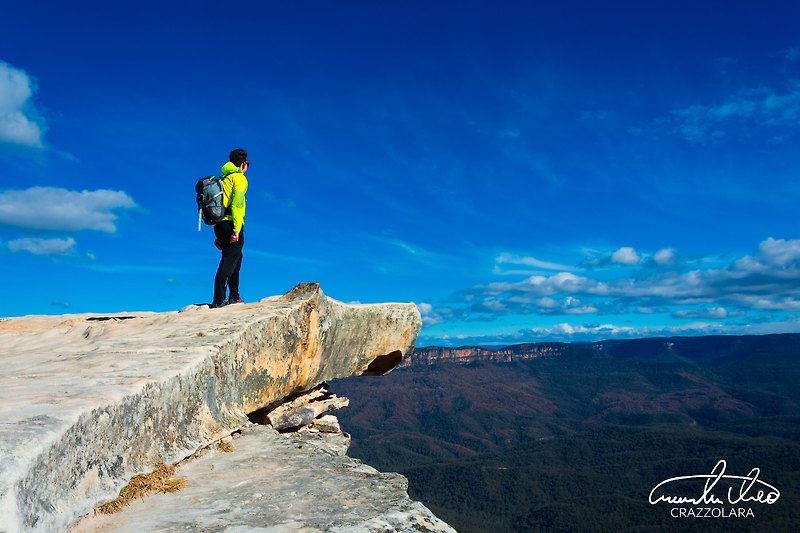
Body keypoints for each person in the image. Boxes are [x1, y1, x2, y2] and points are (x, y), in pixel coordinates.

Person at [210, 148, 249, 308]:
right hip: (232, 223)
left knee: (236, 259)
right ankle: (219, 300)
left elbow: (217, 207)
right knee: (228, 262)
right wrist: (237, 229)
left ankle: (235, 296)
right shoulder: (239, 179)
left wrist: (216, 236)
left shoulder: (222, 179)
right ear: (243, 164)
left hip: (219, 225)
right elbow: (238, 204)